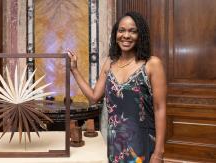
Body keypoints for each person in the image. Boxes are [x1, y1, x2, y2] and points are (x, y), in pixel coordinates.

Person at [68, 11, 166, 163]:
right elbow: (94, 97)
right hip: (116, 147)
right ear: (116, 34)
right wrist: (74, 70)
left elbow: (160, 108)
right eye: (122, 30)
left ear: (141, 35)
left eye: (132, 31)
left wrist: (158, 153)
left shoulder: (152, 64)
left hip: (143, 146)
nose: (126, 36)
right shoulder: (110, 63)